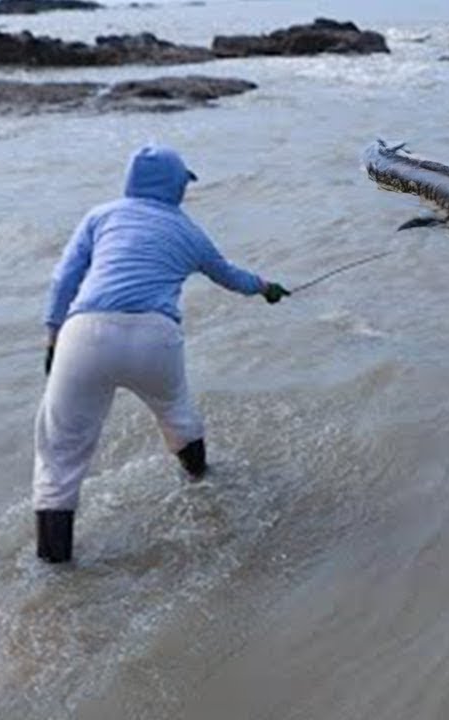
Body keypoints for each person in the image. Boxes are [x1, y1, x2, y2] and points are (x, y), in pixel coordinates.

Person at [33, 143, 290, 564]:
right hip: (155, 336)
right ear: (174, 185)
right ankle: (202, 484)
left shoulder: (101, 215)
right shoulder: (188, 230)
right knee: (178, 416)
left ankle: (53, 570)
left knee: (59, 454)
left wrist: (51, 336)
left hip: (86, 333)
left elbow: (64, 278)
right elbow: (229, 275)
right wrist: (266, 288)